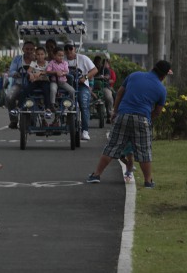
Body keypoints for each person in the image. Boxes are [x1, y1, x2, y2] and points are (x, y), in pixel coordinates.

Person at [86, 60, 171, 188]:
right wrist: (148, 119)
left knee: (112, 146)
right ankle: (148, 181)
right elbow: (157, 112)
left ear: (153, 68)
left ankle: (96, 175)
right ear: (164, 75)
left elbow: (120, 92)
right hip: (142, 118)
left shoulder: (135, 75)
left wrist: (115, 111)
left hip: (123, 115)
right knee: (144, 152)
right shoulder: (161, 89)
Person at [65, 43, 98, 141]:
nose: (68, 50)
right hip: (67, 85)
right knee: (63, 103)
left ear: (75, 49)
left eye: (70, 48)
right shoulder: (62, 59)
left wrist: (85, 77)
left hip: (81, 85)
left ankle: (85, 131)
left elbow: (95, 70)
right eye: (66, 48)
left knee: (84, 104)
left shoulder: (83, 58)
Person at [5, 41, 36, 128]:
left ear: (34, 50)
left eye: (31, 49)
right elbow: (11, 71)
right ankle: (13, 120)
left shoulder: (37, 59)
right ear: (23, 49)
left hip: (34, 84)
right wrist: (15, 73)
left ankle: (37, 117)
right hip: (19, 84)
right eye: (27, 49)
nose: (29, 51)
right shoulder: (17, 59)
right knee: (9, 97)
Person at [28, 46, 53, 113]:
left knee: (46, 90)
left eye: (42, 54)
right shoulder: (33, 63)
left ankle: (47, 108)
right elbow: (29, 71)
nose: (40, 56)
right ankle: (19, 106)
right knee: (26, 89)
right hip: (36, 81)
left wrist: (40, 73)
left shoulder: (48, 63)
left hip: (45, 81)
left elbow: (48, 72)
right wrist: (30, 74)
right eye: (38, 54)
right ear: (35, 55)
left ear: (45, 55)